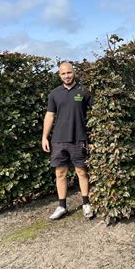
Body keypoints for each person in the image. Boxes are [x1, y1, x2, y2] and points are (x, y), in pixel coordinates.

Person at [42, 61, 94, 220]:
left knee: (81, 172)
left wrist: (93, 136)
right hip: (58, 140)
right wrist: (45, 137)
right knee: (60, 173)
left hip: (79, 138)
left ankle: (86, 204)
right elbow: (50, 116)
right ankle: (62, 206)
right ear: (59, 75)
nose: (67, 76)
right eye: (63, 73)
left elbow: (95, 113)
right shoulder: (54, 94)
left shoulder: (84, 91)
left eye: (69, 72)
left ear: (74, 73)